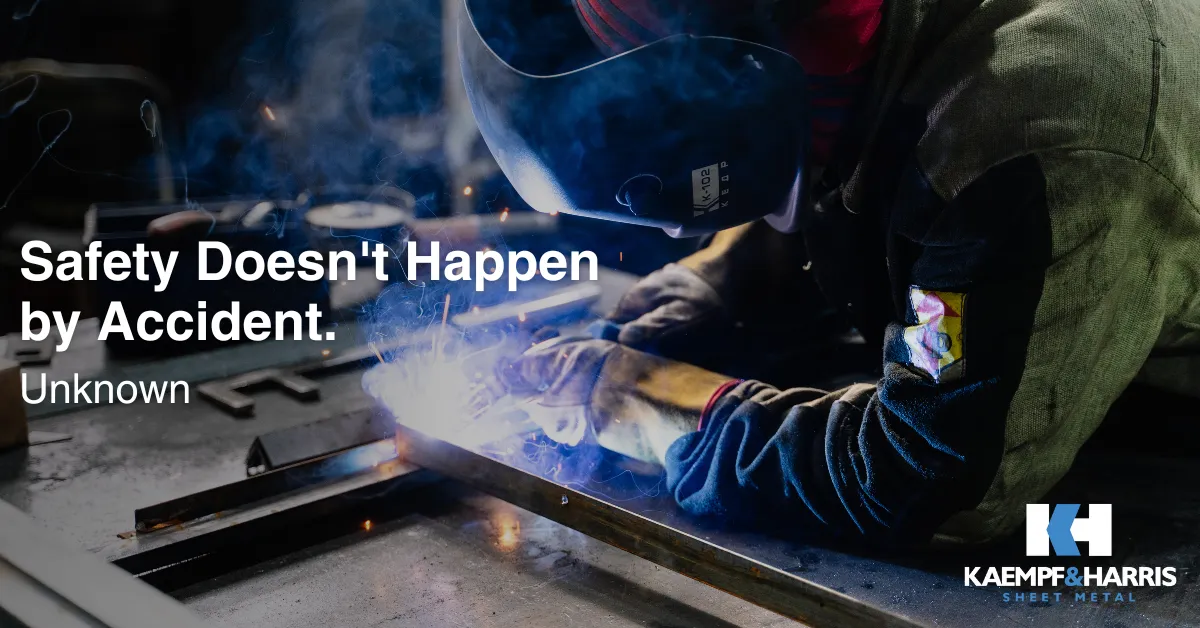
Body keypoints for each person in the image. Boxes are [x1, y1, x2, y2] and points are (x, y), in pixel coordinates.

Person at [459, 0, 1200, 545]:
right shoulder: (832, 47)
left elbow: (921, 482)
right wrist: (717, 288)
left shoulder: (1033, 142)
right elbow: (847, 146)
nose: (671, 231)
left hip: (1154, 437)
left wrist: (643, 400)